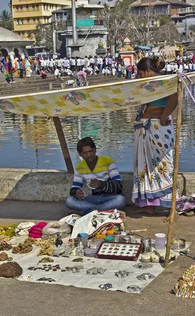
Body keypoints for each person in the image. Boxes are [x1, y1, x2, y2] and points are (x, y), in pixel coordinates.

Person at [132, 57, 178, 214]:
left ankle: (171, 206)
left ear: (146, 71)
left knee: (163, 165)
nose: (140, 76)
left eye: (141, 73)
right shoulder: (145, 86)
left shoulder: (164, 82)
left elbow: (174, 98)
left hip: (158, 127)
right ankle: (148, 205)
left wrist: (164, 116)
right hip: (144, 127)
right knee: (144, 166)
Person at [66, 137, 126, 215]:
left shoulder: (108, 162)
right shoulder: (79, 167)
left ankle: (89, 211)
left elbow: (119, 185)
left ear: (95, 150)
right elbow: (74, 188)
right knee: (70, 201)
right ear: (80, 155)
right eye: (85, 153)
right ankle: (100, 211)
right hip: (92, 199)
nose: (89, 155)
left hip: (110, 198)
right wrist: (76, 193)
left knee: (121, 200)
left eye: (91, 151)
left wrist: (101, 184)